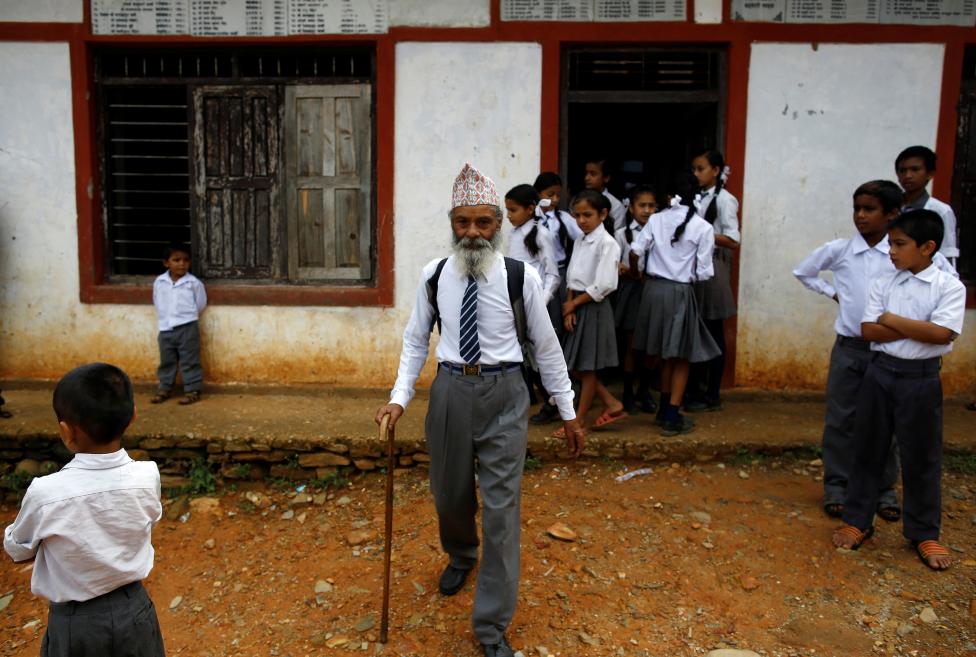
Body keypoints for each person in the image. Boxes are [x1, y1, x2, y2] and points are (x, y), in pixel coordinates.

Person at [374, 163, 584, 657]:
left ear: (498, 224)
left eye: (483, 222)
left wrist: (568, 408)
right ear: (452, 223)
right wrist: (399, 397)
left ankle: (491, 626)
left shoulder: (520, 276)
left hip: (506, 395)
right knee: (449, 495)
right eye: (462, 222)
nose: (472, 232)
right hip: (449, 392)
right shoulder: (434, 274)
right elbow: (414, 341)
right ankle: (461, 554)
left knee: (502, 510)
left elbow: (548, 347)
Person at [831, 210, 965, 570]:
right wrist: (918, 327)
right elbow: (868, 330)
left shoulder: (949, 286)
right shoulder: (884, 282)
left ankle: (924, 532)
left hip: (921, 379)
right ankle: (859, 521)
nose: (891, 251)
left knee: (921, 456)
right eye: (890, 243)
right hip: (880, 373)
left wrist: (892, 320)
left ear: (928, 248)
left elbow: (943, 334)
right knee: (867, 448)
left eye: (899, 244)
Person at [3, 363, 165, 656]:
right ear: (132, 417)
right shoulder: (147, 476)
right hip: (135, 611)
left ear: (66, 431)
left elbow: (18, 548)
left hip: (76, 623)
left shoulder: (45, 493)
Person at [794, 181, 922, 520]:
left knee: (886, 422)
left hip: (889, 350)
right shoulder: (841, 250)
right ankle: (837, 485)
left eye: (870, 209)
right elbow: (803, 271)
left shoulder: (899, 254)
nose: (861, 216)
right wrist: (834, 294)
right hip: (850, 348)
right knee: (841, 419)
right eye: (857, 208)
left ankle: (883, 488)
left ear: (893, 214)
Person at [632, 173, 721, 436]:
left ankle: (663, 409)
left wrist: (640, 274)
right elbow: (705, 272)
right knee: (681, 356)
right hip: (680, 291)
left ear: (668, 197)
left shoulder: (656, 219)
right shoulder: (703, 228)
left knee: (663, 352)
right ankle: (672, 414)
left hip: (653, 290)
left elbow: (636, 250)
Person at [560, 189, 625, 433]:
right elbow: (572, 277)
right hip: (576, 304)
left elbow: (605, 284)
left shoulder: (608, 244)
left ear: (603, 214)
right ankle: (611, 402)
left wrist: (575, 304)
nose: (582, 220)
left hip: (593, 306)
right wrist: (569, 306)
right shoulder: (580, 240)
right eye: (577, 215)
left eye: (587, 215)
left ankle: (579, 420)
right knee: (575, 365)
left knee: (586, 368)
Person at [686, 150, 740, 412]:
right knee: (697, 328)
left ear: (716, 170)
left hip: (714, 268)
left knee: (714, 328)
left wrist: (702, 234)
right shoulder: (697, 197)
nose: (696, 174)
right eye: (694, 169)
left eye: (701, 168)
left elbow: (733, 239)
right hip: (695, 267)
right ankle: (694, 388)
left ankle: (713, 391)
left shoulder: (726, 200)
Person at [532, 171, 583, 424]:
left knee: (557, 337)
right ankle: (548, 396)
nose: (553, 199)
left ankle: (560, 396)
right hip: (534, 281)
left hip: (559, 278)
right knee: (536, 340)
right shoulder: (529, 221)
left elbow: (584, 238)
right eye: (548, 195)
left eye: (556, 195)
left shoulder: (565, 219)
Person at [504, 184, 561, 409]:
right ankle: (538, 397)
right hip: (517, 302)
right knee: (523, 352)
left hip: (535, 304)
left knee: (539, 355)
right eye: (507, 210)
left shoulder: (542, 234)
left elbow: (553, 275)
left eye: (513, 210)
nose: (508, 215)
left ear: (530, 209)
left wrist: (540, 302)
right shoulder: (514, 233)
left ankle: (553, 402)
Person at [615, 184, 660, 414]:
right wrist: (622, 268)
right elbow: (614, 261)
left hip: (652, 288)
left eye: (651, 205)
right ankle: (628, 392)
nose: (647, 210)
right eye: (642, 205)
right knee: (632, 343)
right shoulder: (622, 234)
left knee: (652, 343)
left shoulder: (662, 232)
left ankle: (645, 390)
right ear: (631, 208)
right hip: (631, 290)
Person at [151, 243, 207, 405]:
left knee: (190, 360)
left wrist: (186, 317)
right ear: (166, 263)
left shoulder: (193, 283)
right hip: (166, 328)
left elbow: (200, 304)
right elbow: (157, 301)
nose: (182, 264)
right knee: (166, 360)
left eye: (185, 260)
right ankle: (165, 388)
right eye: (176, 260)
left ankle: (192, 390)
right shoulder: (160, 282)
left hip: (187, 327)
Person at [895, 145, 959, 266]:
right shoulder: (891, 207)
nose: (908, 175)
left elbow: (947, 253)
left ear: (930, 174)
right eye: (902, 170)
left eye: (915, 169)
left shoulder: (940, 210)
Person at [583, 158, 627, 235]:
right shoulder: (580, 200)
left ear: (606, 178)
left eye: (593, 174)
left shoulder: (616, 206)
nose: (587, 178)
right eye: (586, 173)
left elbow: (618, 235)